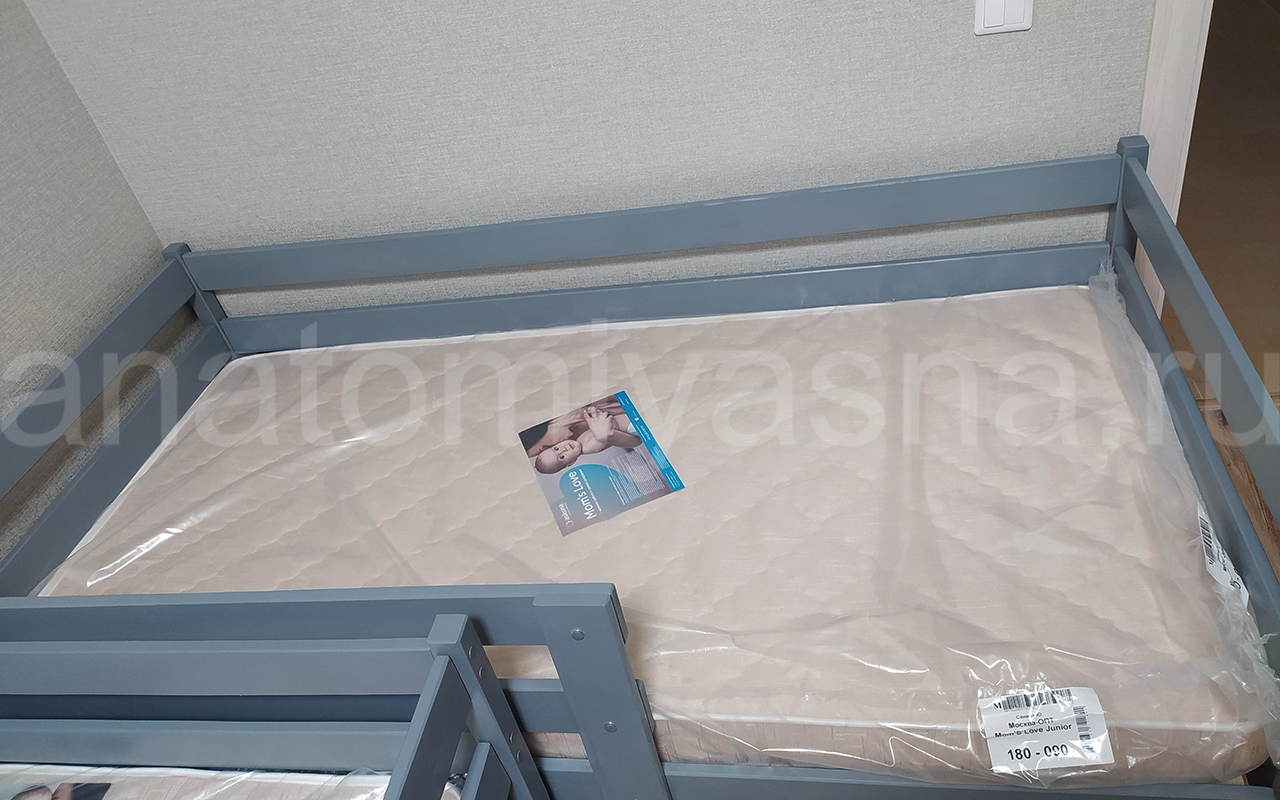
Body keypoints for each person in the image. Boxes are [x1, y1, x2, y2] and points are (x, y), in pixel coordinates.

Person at [533, 405, 640, 474]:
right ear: (571, 462)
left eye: (556, 448)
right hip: (631, 426)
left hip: (627, 418)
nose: (563, 449)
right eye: (562, 457)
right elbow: (610, 429)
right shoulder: (588, 447)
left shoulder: (579, 440)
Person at [520, 396, 626, 458]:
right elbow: (632, 439)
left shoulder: (575, 399)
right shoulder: (582, 443)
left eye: (546, 447)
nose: (561, 448)